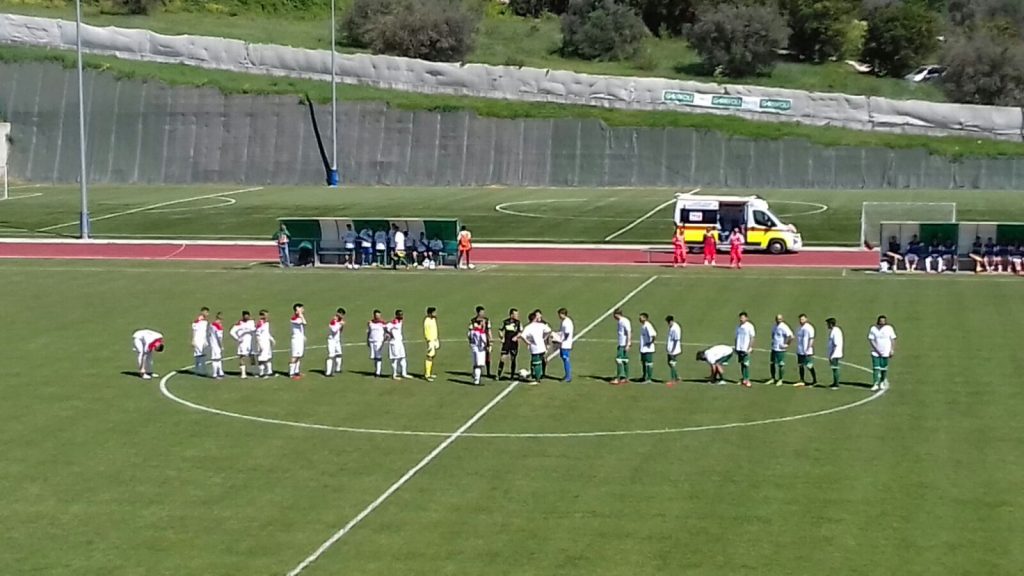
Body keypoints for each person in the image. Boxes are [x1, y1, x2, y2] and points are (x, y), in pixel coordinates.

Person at [520, 310, 551, 384]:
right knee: (540, 362)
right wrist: (544, 337)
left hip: (535, 348)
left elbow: (522, 335)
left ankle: (537, 379)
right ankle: (539, 375)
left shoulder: (528, 327)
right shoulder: (541, 325)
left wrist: (527, 342)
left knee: (536, 363)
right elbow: (549, 330)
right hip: (542, 347)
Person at [868, 315, 897, 391]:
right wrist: (876, 349)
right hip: (875, 352)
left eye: (884, 321)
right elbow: (871, 340)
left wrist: (892, 350)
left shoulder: (889, 328)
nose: (882, 323)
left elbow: (893, 339)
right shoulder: (873, 329)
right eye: (881, 321)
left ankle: (882, 382)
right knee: (876, 368)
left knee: (883, 369)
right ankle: (875, 383)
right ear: (878, 321)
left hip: (885, 352)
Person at [767, 314, 793, 386]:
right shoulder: (774, 326)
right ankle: (773, 378)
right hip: (774, 348)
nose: (778, 320)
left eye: (780, 319)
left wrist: (786, 344)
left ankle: (780, 379)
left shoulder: (784, 327)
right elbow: (773, 334)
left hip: (781, 350)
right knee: (772, 363)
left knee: (781, 364)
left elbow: (791, 336)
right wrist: (773, 341)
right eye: (777, 319)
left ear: (782, 319)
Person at [468, 306, 494, 379]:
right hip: (477, 341)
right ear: (478, 312)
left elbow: (489, 330)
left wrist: (491, 338)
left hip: (485, 339)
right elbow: (471, 330)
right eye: (481, 312)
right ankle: (475, 372)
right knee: (476, 357)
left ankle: (488, 372)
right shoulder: (473, 320)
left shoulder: (486, 320)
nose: (483, 313)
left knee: (487, 355)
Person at [229, 310, 256, 379]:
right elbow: (232, 332)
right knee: (242, 357)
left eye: (248, 316)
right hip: (243, 343)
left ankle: (253, 372)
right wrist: (238, 338)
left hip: (251, 342)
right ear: (243, 316)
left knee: (252, 357)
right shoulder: (239, 323)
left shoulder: (251, 322)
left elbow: (254, 329)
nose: (247, 317)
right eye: (245, 316)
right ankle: (243, 374)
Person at [497, 308, 522, 380]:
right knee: (502, 358)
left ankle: (512, 375)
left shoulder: (518, 323)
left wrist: (516, 337)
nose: (517, 316)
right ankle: (498, 375)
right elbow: (500, 330)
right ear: (511, 315)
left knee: (513, 359)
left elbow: (520, 332)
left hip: (514, 343)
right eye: (516, 314)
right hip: (506, 343)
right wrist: (501, 337)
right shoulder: (505, 322)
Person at [386, 309, 410, 379]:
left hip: (400, 342)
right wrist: (390, 334)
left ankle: (404, 373)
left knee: (403, 357)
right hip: (394, 342)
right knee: (395, 359)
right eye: (400, 314)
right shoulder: (394, 322)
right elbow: (386, 327)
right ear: (396, 315)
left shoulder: (400, 321)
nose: (401, 316)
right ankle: (394, 374)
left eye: (402, 314)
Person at [795, 313, 817, 387]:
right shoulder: (799, 328)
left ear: (806, 319)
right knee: (800, 365)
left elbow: (811, 339)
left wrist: (808, 348)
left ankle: (814, 380)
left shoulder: (809, 328)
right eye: (800, 319)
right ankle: (802, 379)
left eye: (803, 319)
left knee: (809, 365)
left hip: (807, 351)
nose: (801, 321)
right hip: (800, 350)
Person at [734, 311, 755, 387]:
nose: (741, 319)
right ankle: (744, 379)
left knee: (746, 364)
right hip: (739, 348)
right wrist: (736, 347)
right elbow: (736, 337)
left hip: (746, 348)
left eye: (743, 317)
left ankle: (747, 379)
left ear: (746, 318)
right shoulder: (738, 326)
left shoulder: (750, 326)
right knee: (742, 364)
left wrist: (750, 347)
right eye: (740, 317)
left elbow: (752, 337)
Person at [612, 308, 632, 385]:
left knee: (619, 360)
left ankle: (618, 378)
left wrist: (628, 343)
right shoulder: (624, 320)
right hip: (623, 344)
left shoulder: (622, 321)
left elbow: (628, 332)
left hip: (623, 344)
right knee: (624, 360)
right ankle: (625, 378)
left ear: (617, 315)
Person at [468, 318, 490, 385]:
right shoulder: (481, 332)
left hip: (474, 348)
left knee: (475, 364)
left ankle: (474, 376)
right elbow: (484, 341)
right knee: (479, 365)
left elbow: (469, 337)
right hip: (480, 350)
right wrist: (487, 347)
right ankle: (476, 380)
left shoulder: (472, 331)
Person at [367, 309, 387, 378]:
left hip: (379, 341)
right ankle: (376, 370)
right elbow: (368, 332)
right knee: (374, 357)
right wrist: (367, 341)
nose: (378, 316)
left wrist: (385, 338)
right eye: (376, 315)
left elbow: (386, 331)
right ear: (374, 315)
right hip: (372, 341)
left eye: (379, 315)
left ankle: (378, 372)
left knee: (378, 357)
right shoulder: (370, 322)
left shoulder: (383, 323)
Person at [326, 308, 346, 377]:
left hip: (337, 340)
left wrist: (342, 325)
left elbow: (340, 331)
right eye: (341, 314)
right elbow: (334, 330)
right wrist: (340, 324)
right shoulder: (333, 321)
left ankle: (338, 369)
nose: (342, 316)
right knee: (331, 356)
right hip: (331, 341)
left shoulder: (340, 321)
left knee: (339, 354)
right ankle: (328, 373)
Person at [289, 303, 306, 380]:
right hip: (296, 340)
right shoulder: (294, 319)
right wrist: (300, 315)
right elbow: (304, 323)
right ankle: (291, 373)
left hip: (300, 339)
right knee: (295, 356)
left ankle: (297, 371)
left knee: (299, 356)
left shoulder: (299, 318)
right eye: (301, 308)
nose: (303, 309)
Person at [638, 312, 657, 383]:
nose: (640, 318)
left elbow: (654, 335)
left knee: (649, 363)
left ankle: (649, 378)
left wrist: (651, 342)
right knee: (643, 362)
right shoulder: (643, 326)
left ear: (645, 318)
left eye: (641, 317)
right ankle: (644, 376)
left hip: (648, 349)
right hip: (643, 348)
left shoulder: (648, 325)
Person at [255, 309, 275, 378]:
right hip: (262, 342)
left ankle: (269, 371)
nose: (267, 316)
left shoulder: (267, 323)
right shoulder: (260, 324)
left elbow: (267, 333)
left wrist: (271, 339)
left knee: (269, 357)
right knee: (262, 358)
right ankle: (261, 373)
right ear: (262, 316)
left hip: (267, 342)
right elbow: (257, 335)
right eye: (266, 315)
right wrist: (259, 344)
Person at [191, 307, 210, 377]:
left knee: (203, 355)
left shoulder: (206, 321)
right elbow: (194, 330)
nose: (207, 314)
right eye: (206, 312)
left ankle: (202, 370)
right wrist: (193, 340)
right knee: (198, 355)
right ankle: (198, 370)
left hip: (203, 339)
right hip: (198, 339)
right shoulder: (197, 321)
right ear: (202, 312)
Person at [826, 317, 843, 390]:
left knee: (835, 368)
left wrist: (832, 355)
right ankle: (835, 382)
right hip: (835, 353)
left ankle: (836, 384)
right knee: (834, 368)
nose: (827, 325)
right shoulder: (836, 330)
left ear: (831, 324)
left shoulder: (835, 331)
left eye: (827, 324)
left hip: (835, 353)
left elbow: (835, 343)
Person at [665, 315, 682, 387]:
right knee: (670, 363)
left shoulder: (675, 328)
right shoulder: (673, 327)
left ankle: (673, 380)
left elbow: (676, 340)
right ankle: (677, 377)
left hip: (673, 350)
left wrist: (672, 350)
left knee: (672, 363)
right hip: (671, 349)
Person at [208, 312, 225, 380]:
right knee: (216, 359)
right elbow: (219, 338)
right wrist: (221, 346)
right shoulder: (218, 326)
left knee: (218, 359)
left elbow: (209, 334)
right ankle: (215, 374)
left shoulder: (211, 324)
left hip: (212, 343)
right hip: (216, 345)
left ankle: (220, 372)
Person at [423, 307, 439, 381]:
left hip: (434, 339)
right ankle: (427, 375)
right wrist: (429, 341)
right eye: (434, 312)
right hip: (430, 340)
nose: (435, 314)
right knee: (429, 356)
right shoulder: (427, 321)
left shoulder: (433, 319)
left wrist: (436, 339)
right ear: (430, 313)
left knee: (432, 356)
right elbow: (426, 331)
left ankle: (429, 373)